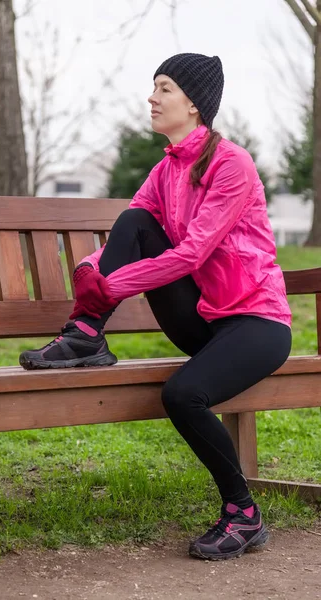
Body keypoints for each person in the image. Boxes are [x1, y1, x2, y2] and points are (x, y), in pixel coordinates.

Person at [19, 53, 292, 560]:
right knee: (132, 221)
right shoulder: (166, 168)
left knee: (182, 394)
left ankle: (243, 515)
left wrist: (111, 284)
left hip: (256, 323)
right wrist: (91, 274)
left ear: (193, 104)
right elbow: (131, 236)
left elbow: (191, 253)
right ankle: (85, 333)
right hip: (205, 319)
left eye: (164, 88)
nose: (151, 97)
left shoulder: (231, 162)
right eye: (154, 87)